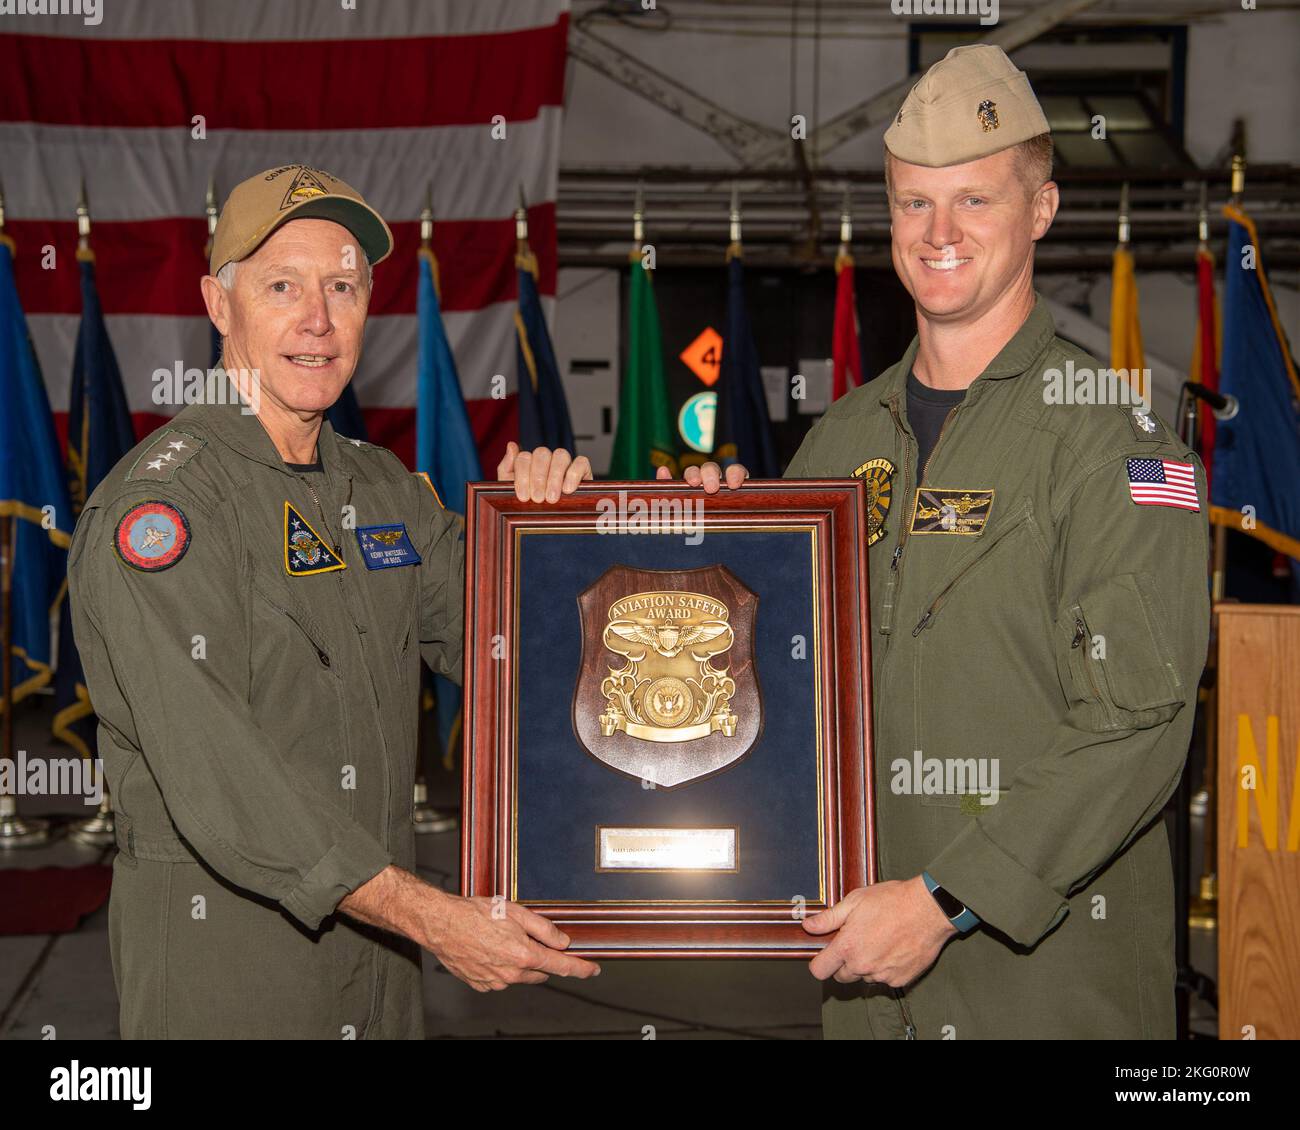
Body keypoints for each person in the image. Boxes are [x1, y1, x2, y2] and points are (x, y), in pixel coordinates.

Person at [667, 45, 1210, 1039]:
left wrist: (944, 897)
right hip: (868, 992)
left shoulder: (1110, 441)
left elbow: (1136, 728)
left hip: (1047, 992)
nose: (939, 231)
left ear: (1039, 210)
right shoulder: (839, 441)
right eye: (914, 202)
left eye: (974, 200)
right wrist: (712, 556)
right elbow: (783, 688)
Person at [67, 164, 609, 1039]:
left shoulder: (383, 489)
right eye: (282, 285)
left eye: (343, 286)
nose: (317, 319)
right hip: (232, 966)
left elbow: (516, 653)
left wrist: (583, 533)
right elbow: (223, 782)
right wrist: (433, 919)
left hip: (378, 965)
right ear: (219, 303)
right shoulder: (162, 514)